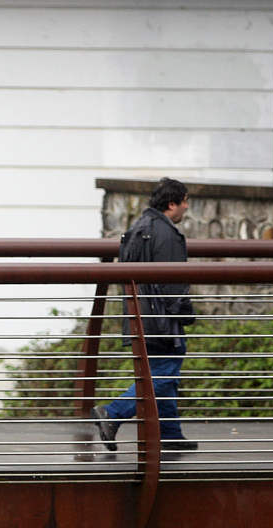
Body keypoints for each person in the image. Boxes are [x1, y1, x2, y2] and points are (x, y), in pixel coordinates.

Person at [93, 177, 197, 453]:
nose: (186, 207)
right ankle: (112, 414)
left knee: (164, 374)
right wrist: (185, 313)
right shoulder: (165, 234)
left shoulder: (138, 228)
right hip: (161, 320)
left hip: (140, 316)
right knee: (162, 375)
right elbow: (171, 282)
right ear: (172, 204)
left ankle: (170, 435)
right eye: (184, 201)